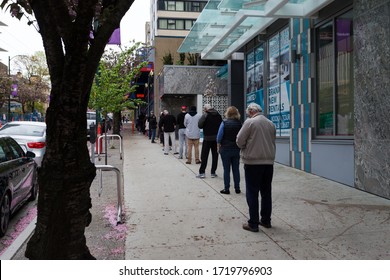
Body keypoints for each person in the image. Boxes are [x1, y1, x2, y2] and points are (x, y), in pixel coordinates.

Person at [236, 103, 276, 232]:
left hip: (253, 162)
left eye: (248, 112)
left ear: (252, 111)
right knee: (266, 192)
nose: (247, 114)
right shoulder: (270, 123)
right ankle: (266, 220)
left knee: (252, 193)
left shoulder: (250, 122)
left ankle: (253, 223)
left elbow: (239, 141)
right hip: (268, 162)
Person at [217, 106, 242, 194]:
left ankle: (226, 189)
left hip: (225, 148)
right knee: (236, 169)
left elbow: (219, 136)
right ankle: (237, 188)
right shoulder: (239, 123)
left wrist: (219, 144)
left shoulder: (224, 122)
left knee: (226, 169)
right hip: (236, 148)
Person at [196, 104, 222, 178]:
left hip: (207, 138)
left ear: (206, 109)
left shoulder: (205, 115)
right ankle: (213, 172)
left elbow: (199, 125)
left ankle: (202, 172)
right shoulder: (218, 115)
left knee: (204, 155)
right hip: (216, 138)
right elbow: (221, 126)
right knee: (215, 155)